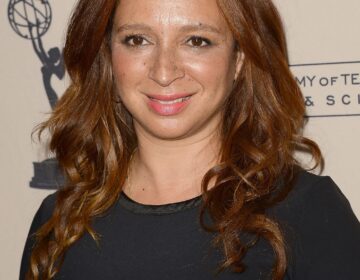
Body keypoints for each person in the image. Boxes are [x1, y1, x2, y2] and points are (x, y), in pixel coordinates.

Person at [20, 0, 360, 279]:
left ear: (239, 59)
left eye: (197, 41)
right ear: (108, 54)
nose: (164, 71)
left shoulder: (308, 212)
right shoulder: (60, 222)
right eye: (138, 39)